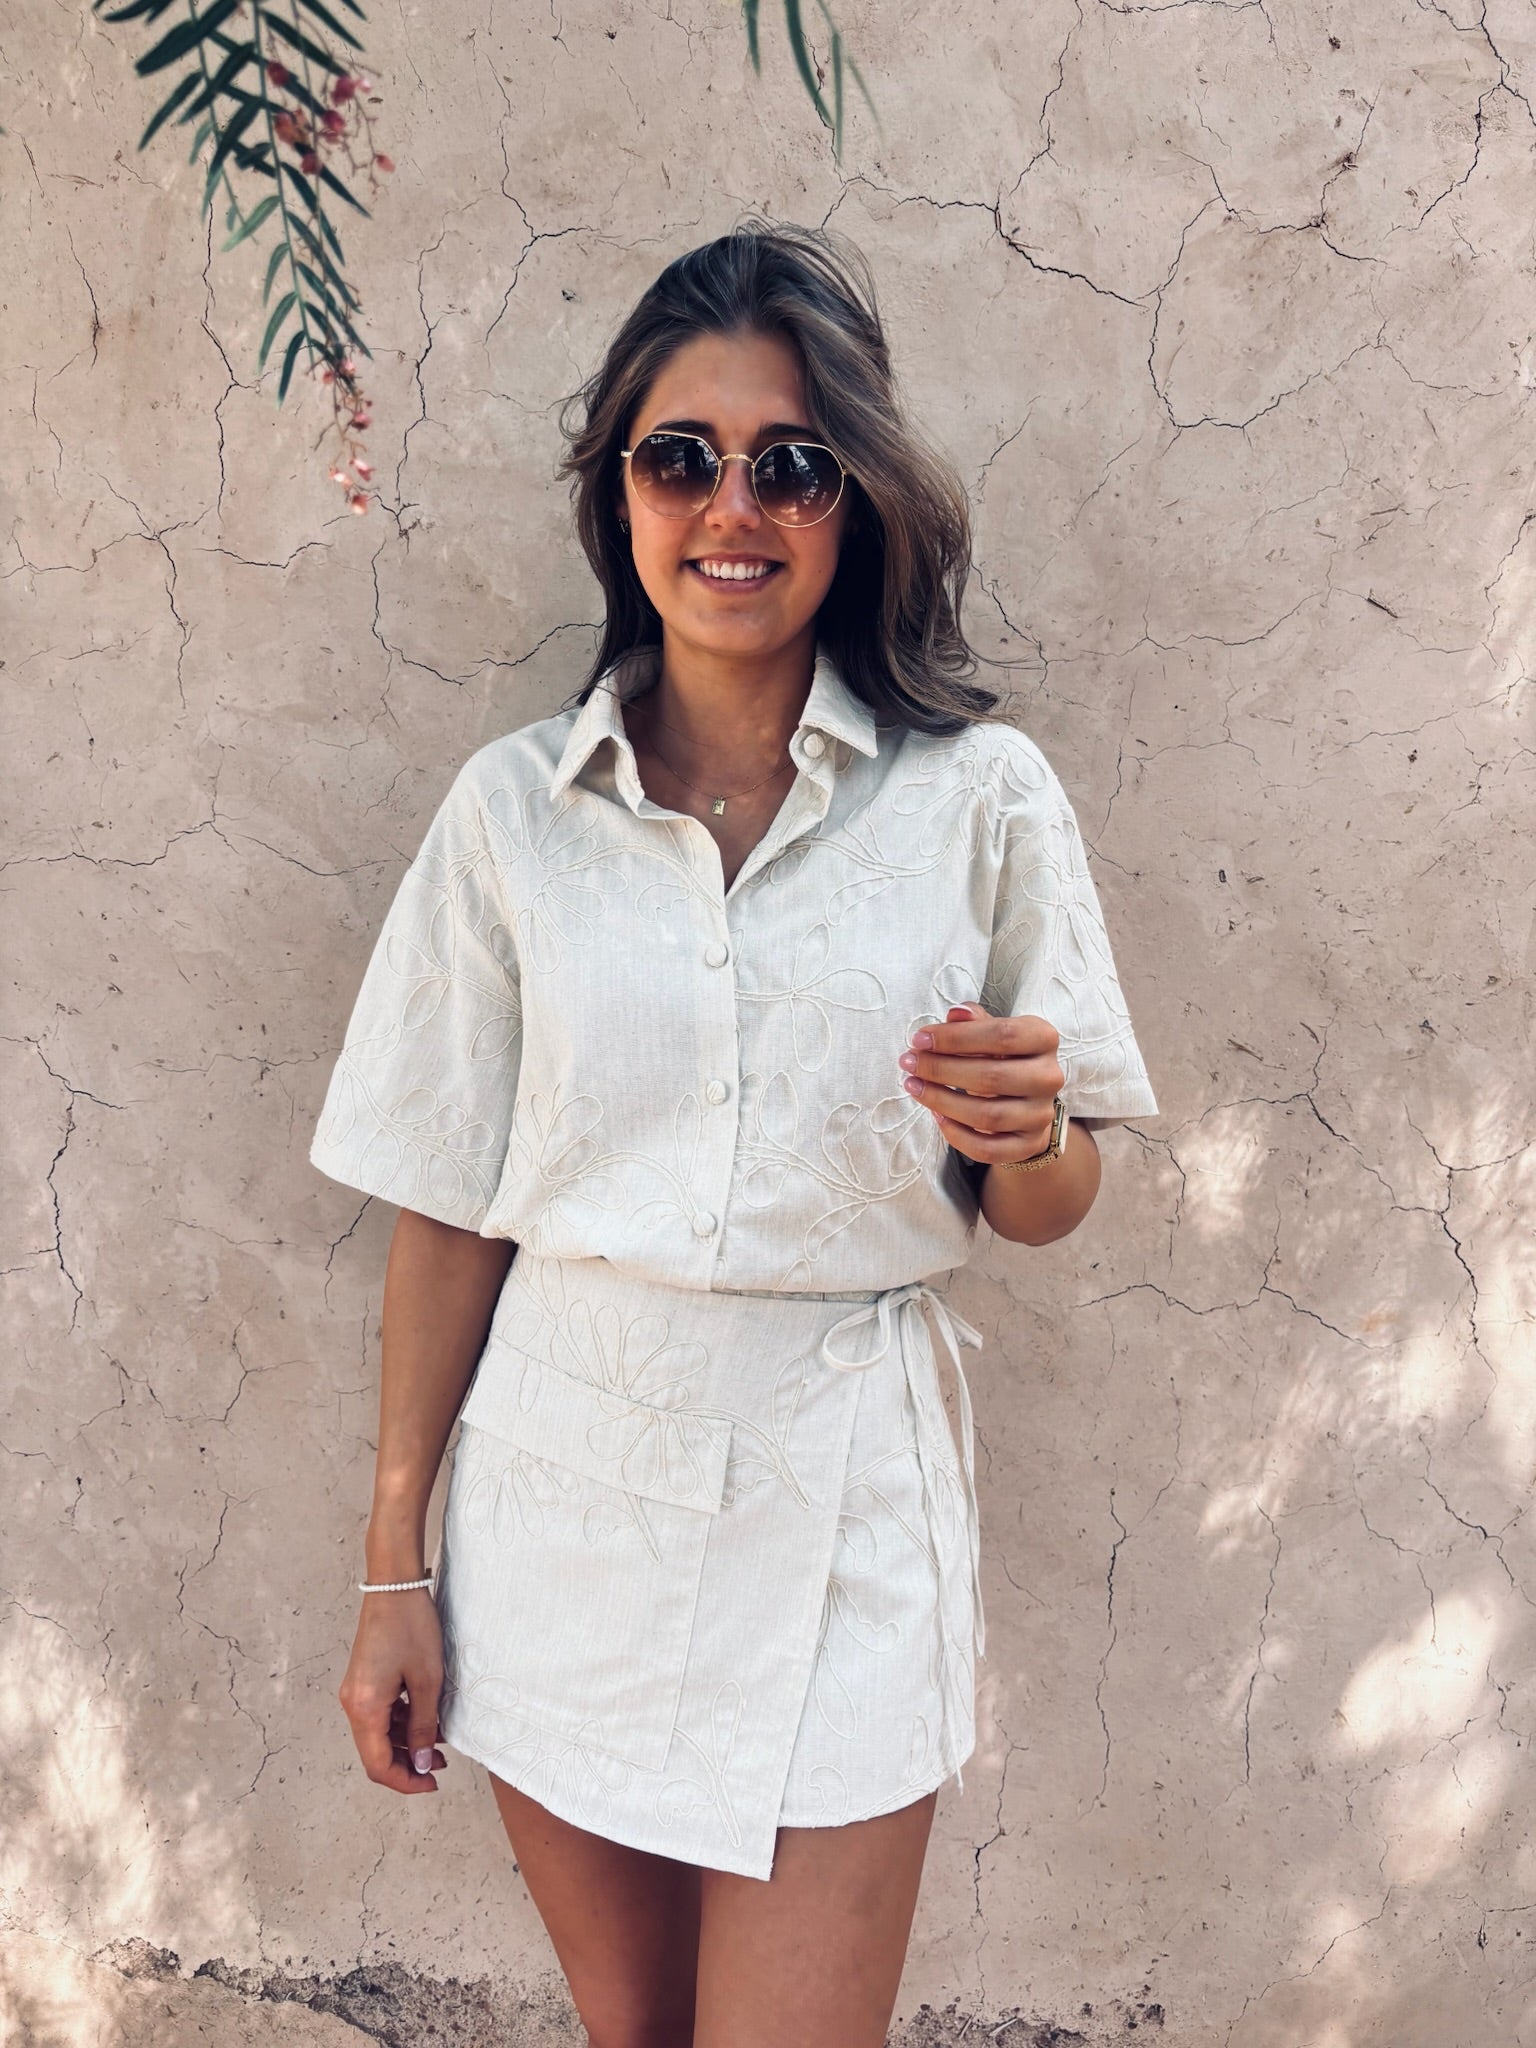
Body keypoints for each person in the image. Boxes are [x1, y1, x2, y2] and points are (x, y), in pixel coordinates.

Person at [311, 218, 1158, 2048]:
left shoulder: (980, 800)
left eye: (792, 465)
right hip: (562, 1508)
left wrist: (1029, 1135)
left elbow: (1049, 1199)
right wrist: (395, 1565)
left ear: (857, 502)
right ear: (618, 491)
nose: (733, 508)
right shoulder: (511, 818)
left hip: (839, 1516)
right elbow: (450, 1209)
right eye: (680, 457)